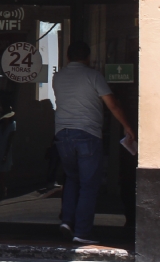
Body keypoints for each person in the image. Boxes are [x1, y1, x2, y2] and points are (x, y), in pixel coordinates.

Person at [50, 40, 136, 245]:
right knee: (89, 184)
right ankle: (82, 231)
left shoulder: (58, 77)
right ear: (87, 57)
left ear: (68, 57)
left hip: (62, 134)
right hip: (87, 133)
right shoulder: (94, 76)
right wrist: (127, 126)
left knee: (72, 179)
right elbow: (112, 104)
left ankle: (67, 221)